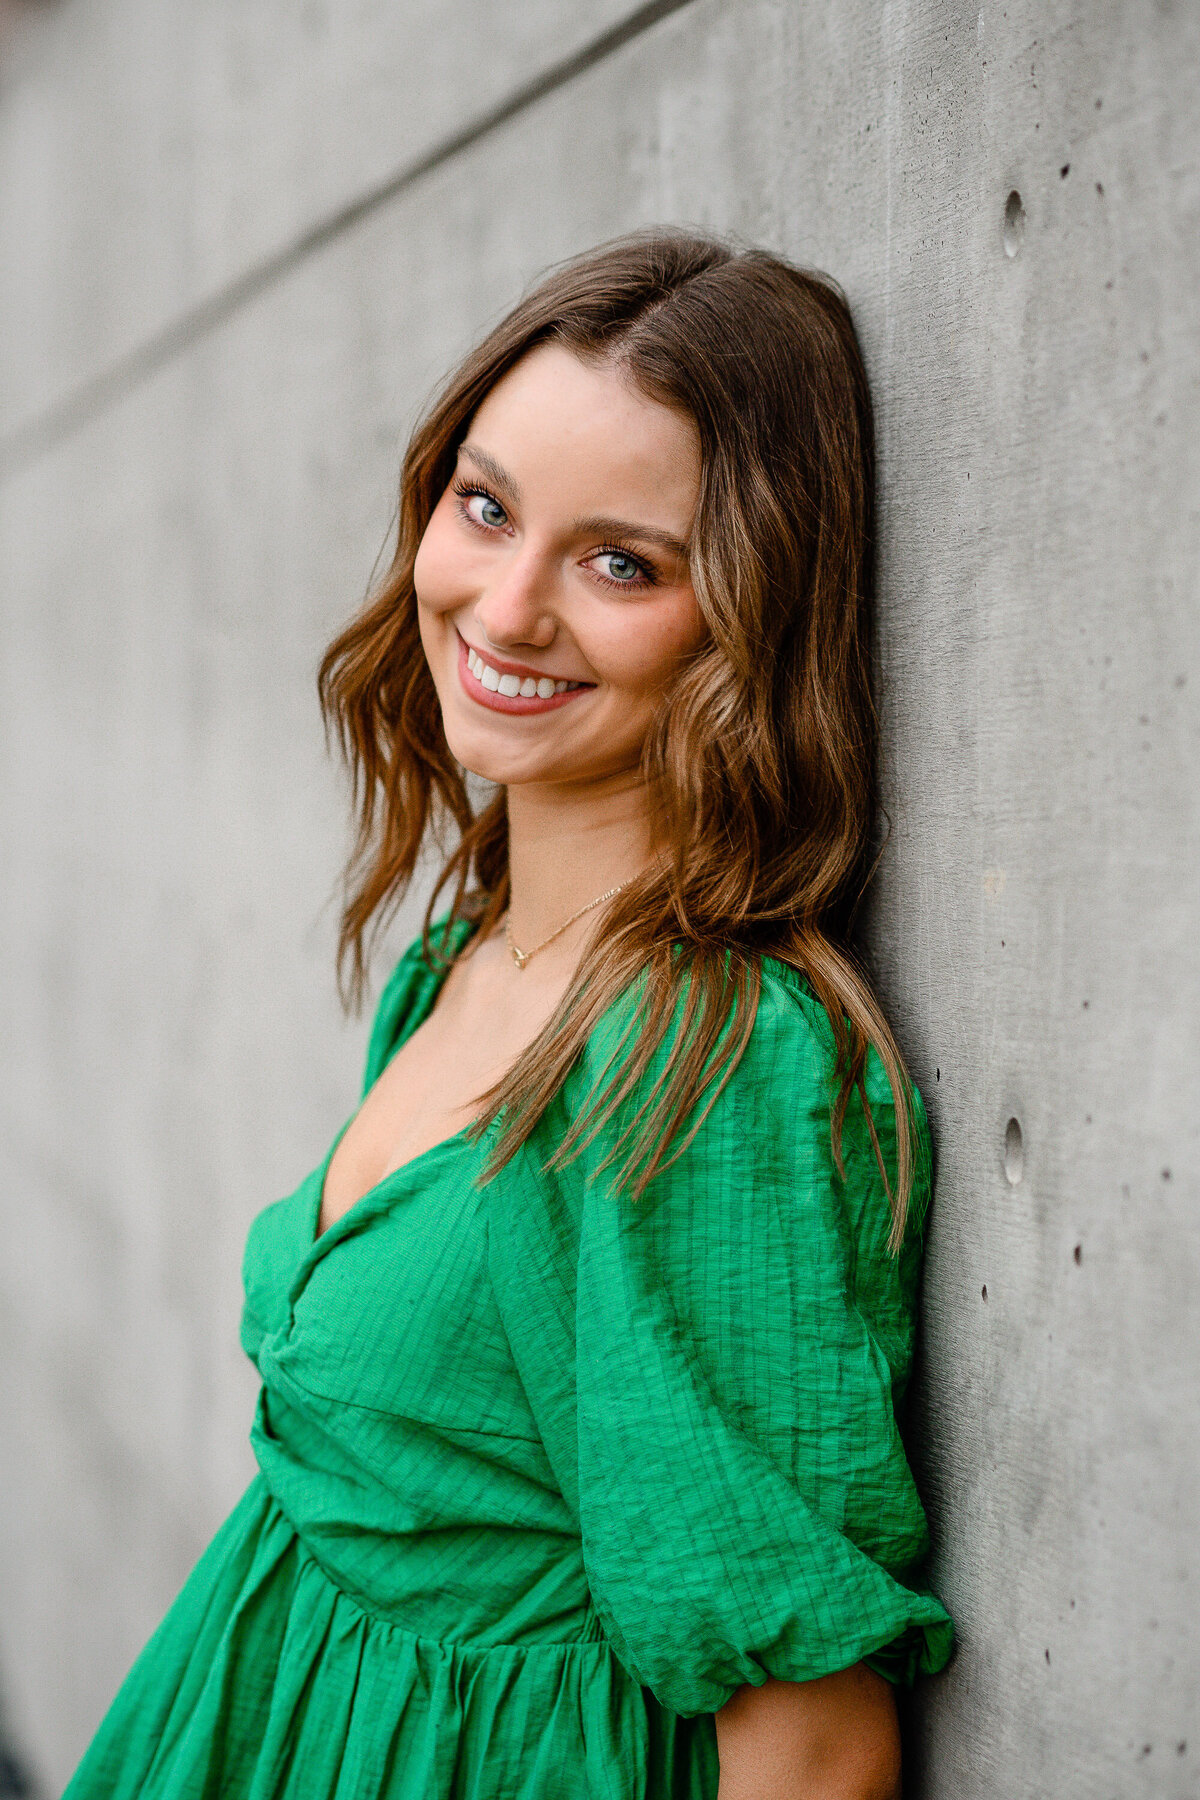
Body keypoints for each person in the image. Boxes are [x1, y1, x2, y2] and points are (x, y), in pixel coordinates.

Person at [65, 231, 953, 1799]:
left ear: (747, 614)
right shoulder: (467, 953)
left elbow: (810, 1744)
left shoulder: (697, 1071)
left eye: (623, 563)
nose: (508, 606)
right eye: (486, 507)